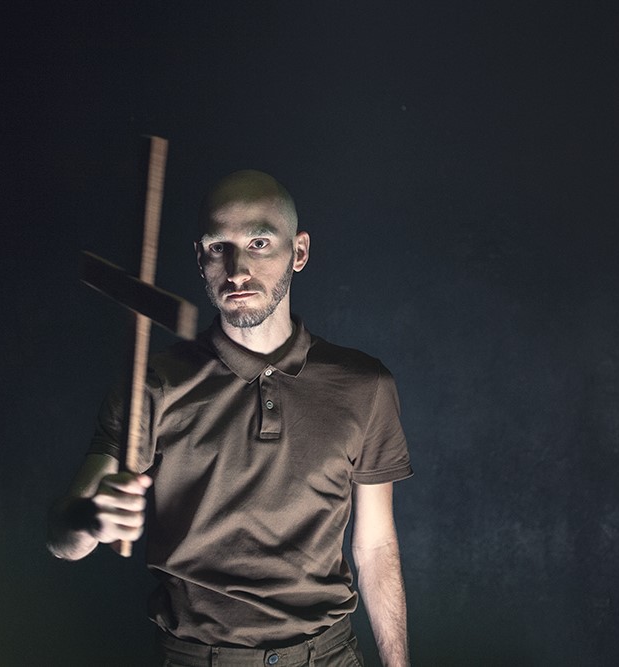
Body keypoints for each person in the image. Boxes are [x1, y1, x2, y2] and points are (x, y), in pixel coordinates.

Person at [48, 170, 413, 666]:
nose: (237, 270)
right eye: (219, 247)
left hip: (328, 656)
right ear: (200, 258)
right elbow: (62, 540)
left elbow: (375, 545)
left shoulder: (365, 385)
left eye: (259, 243)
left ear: (299, 252)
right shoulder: (153, 385)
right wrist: (91, 517)